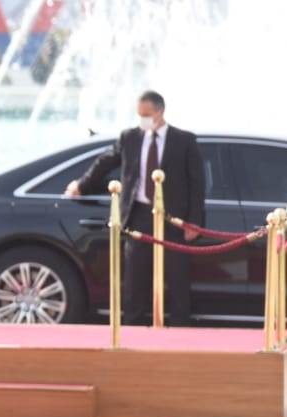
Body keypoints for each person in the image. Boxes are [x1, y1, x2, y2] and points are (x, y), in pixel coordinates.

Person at [65, 90, 204, 325]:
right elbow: (105, 161)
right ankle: (133, 327)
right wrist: (80, 185)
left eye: (147, 114)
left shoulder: (184, 140)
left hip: (173, 219)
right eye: (140, 115)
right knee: (135, 278)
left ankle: (181, 328)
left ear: (160, 112)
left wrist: (194, 221)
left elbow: (196, 183)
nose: (143, 119)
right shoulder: (130, 138)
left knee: (177, 277)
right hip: (138, 215)